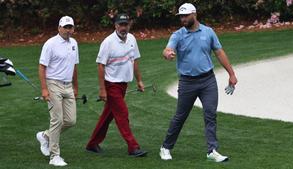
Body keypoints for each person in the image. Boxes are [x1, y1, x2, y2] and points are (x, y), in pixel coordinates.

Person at [159, 3, 238, 162]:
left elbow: (219, 52)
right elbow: (167, 49)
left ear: (194, 14)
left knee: (210, 115)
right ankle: (166, 147)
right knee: (180, 117)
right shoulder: (178, 35)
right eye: (181, 16)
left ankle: (212, 150)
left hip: (208, 81)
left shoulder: (208, 32)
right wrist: (167, 54)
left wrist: (231, 74)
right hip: (187, 83)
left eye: (186, 15)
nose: (183, 19)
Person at [86, 14, 147, 157]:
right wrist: (102, 89)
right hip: (111, 84)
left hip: (124, 84)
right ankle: (133, 147)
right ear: (116, 25)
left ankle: (92, 144)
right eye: (121, 24)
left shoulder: (132, 39)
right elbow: (100, 66)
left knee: (108, 115)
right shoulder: (108, 42)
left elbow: (135, 61)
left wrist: (139, 80)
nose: (123, 27)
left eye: (126, 24)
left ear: (129, 25)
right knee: (122, 114)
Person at [36, 16, 79, 167]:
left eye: (70, 27)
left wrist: (75, 86)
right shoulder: (50, 44)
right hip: (53, 84)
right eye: (65, 27)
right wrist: (44, 89)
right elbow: (42, 67)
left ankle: (45, 136)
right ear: (59, 28)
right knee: (57, 120)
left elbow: (74, 66)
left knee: (71, 120)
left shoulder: (74, 43)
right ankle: (54, 156)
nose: (68, 30)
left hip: (68, 86)